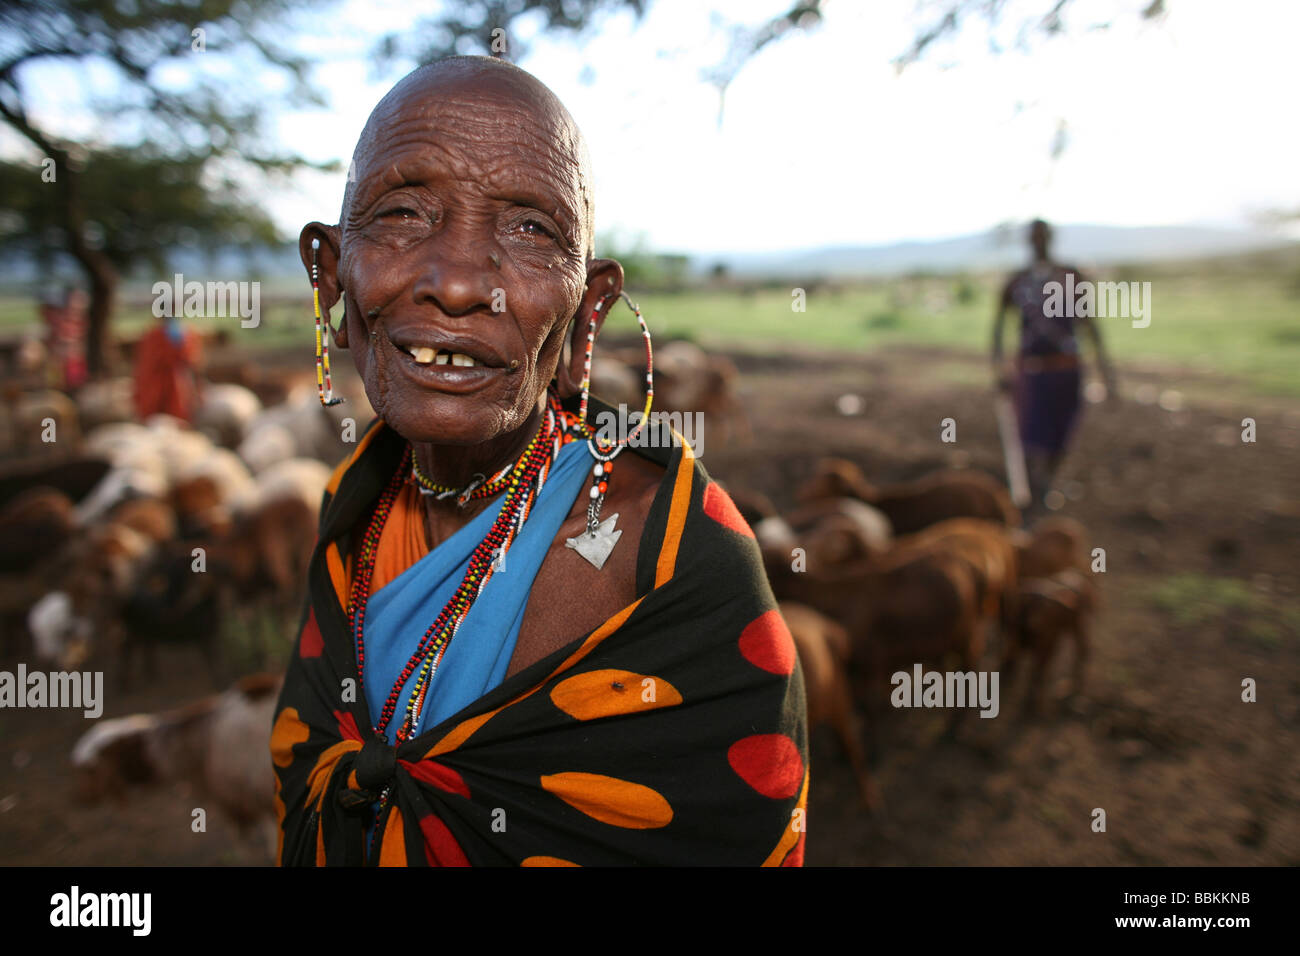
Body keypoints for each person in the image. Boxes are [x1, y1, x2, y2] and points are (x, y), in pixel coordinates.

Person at [271, 57, 808, 867]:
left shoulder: (680, 565)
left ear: (586, 312)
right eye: (404, 212)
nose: (456, 284)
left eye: (530, 229)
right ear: (331, 278)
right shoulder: (352, 508)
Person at [992, 219, 1115, 509]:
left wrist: (1106, 372)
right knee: (1033, 434)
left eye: (1042, 236)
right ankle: (1036, 491)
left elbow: (1089, 325)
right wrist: (998, 369)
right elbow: (997, 330)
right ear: (1027, 241)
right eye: (1033, 237)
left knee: (1062, 434)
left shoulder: (1071, 277)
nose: (1038, 242)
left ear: (1051, 238)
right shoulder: (1016, 281)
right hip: (1031, 372)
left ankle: (1046, 485)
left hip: (1067, 369)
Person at [132, 313, 203, 422]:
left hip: (167, 384)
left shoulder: (154, 335)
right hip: (169, 383)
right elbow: (191, 360)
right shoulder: (186, 333)